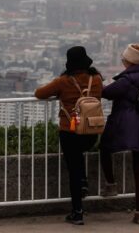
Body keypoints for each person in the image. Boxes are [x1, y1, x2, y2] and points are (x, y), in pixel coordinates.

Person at [35, 46, 103, 225]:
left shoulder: (63, 81)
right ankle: (83, 181)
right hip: (91, 130)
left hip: (69, 131)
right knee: (79, 158)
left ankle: (77, 212)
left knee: (73, 170)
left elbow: (39, 94)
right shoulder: (96, 79)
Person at [100, 43, 139, 225]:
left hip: (123, 125)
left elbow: (106, 93)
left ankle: (111, 184)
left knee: (104, 148)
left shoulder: (125, 81)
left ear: (128, 61)